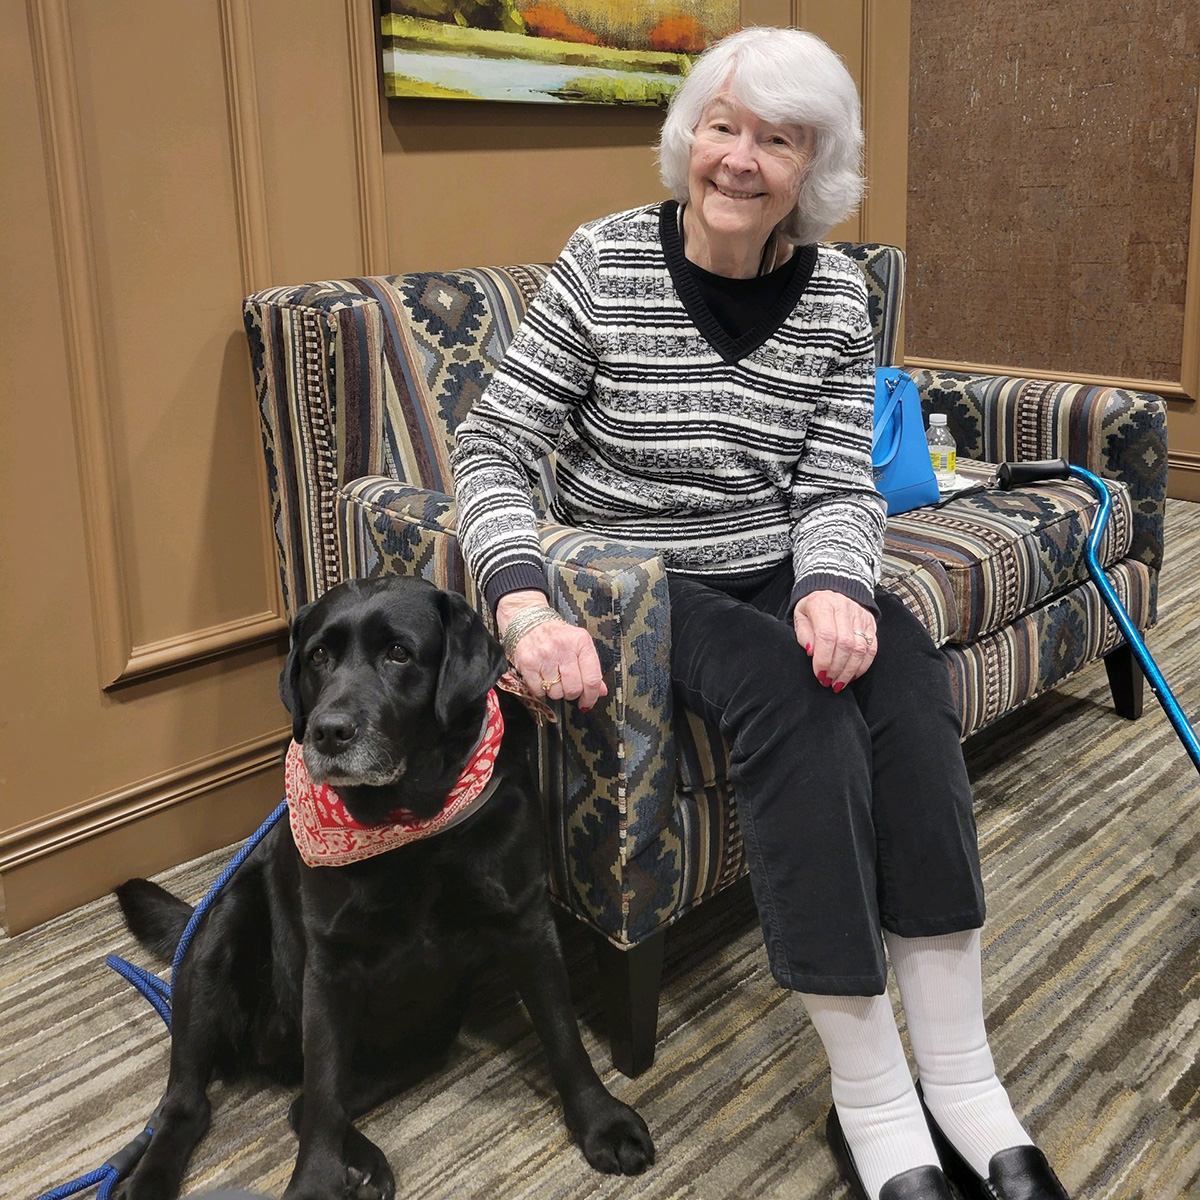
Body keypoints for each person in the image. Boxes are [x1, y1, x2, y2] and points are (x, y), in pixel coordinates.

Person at [451, 26, 1069, 1200]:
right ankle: (876, 1099)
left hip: (781, 561)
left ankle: (966, 1078)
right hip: (641, 583)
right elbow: (490, 448)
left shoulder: (837, 293)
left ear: (813, 167)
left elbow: (838, 482)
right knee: (798, 700)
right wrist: (522, 600)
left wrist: (837, 584)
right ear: (690, 137)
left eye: (775, 139)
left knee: (902, 677)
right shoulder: (604, 262)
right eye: (723, 127)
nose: (739, 160)